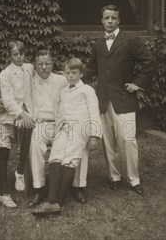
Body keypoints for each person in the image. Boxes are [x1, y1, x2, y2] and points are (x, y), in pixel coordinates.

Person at [84, 5, 156, 195]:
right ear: (101, 20)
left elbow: (149, 62)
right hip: (103, 100)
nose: (109, 21)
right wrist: (69, 80)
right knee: (108, 142)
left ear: (118, 20)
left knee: (128, 139)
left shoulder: (130, 40)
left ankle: (134, 179)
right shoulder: (98, 44)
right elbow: (90, 69)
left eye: (113, 18)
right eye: (106, 18)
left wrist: (137, 84)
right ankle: (114, 176)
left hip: (124, 100)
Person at [32, 58, 102, 216]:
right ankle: (51, 201)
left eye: (74, 73)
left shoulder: (87, 90)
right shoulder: (63, 91)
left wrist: (94, 135)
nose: (70, 76)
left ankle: (57, 202)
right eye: (67, 73)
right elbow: (60, 111)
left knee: (69, 159)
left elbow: (94, 113)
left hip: (79, 129)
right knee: (55, 158)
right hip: (63, 129)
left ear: (81, 73)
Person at [27, 50, 88, 208]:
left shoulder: (62, 79)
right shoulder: (29, 81)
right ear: (35, 65)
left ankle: (78, 185)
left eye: (48, 63)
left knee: (80, 145)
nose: (44, 67)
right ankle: (39, 188)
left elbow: (78, 89)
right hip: (40, 123)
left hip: (61, 124)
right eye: (40, 64)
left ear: (53, 64)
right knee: (35, 144)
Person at [0, 41, 34, 208]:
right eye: (15, 54)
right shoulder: (5, 74)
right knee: (4, 149)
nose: (19, 57)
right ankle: (3, 193)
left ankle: (20, 171)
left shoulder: (29, 68)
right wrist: (21, 114)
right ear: (10, 56)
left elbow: (44, 76)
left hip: (25, 114)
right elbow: (8, 99)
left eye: (22, 53)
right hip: (7, 115)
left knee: (27, 133)